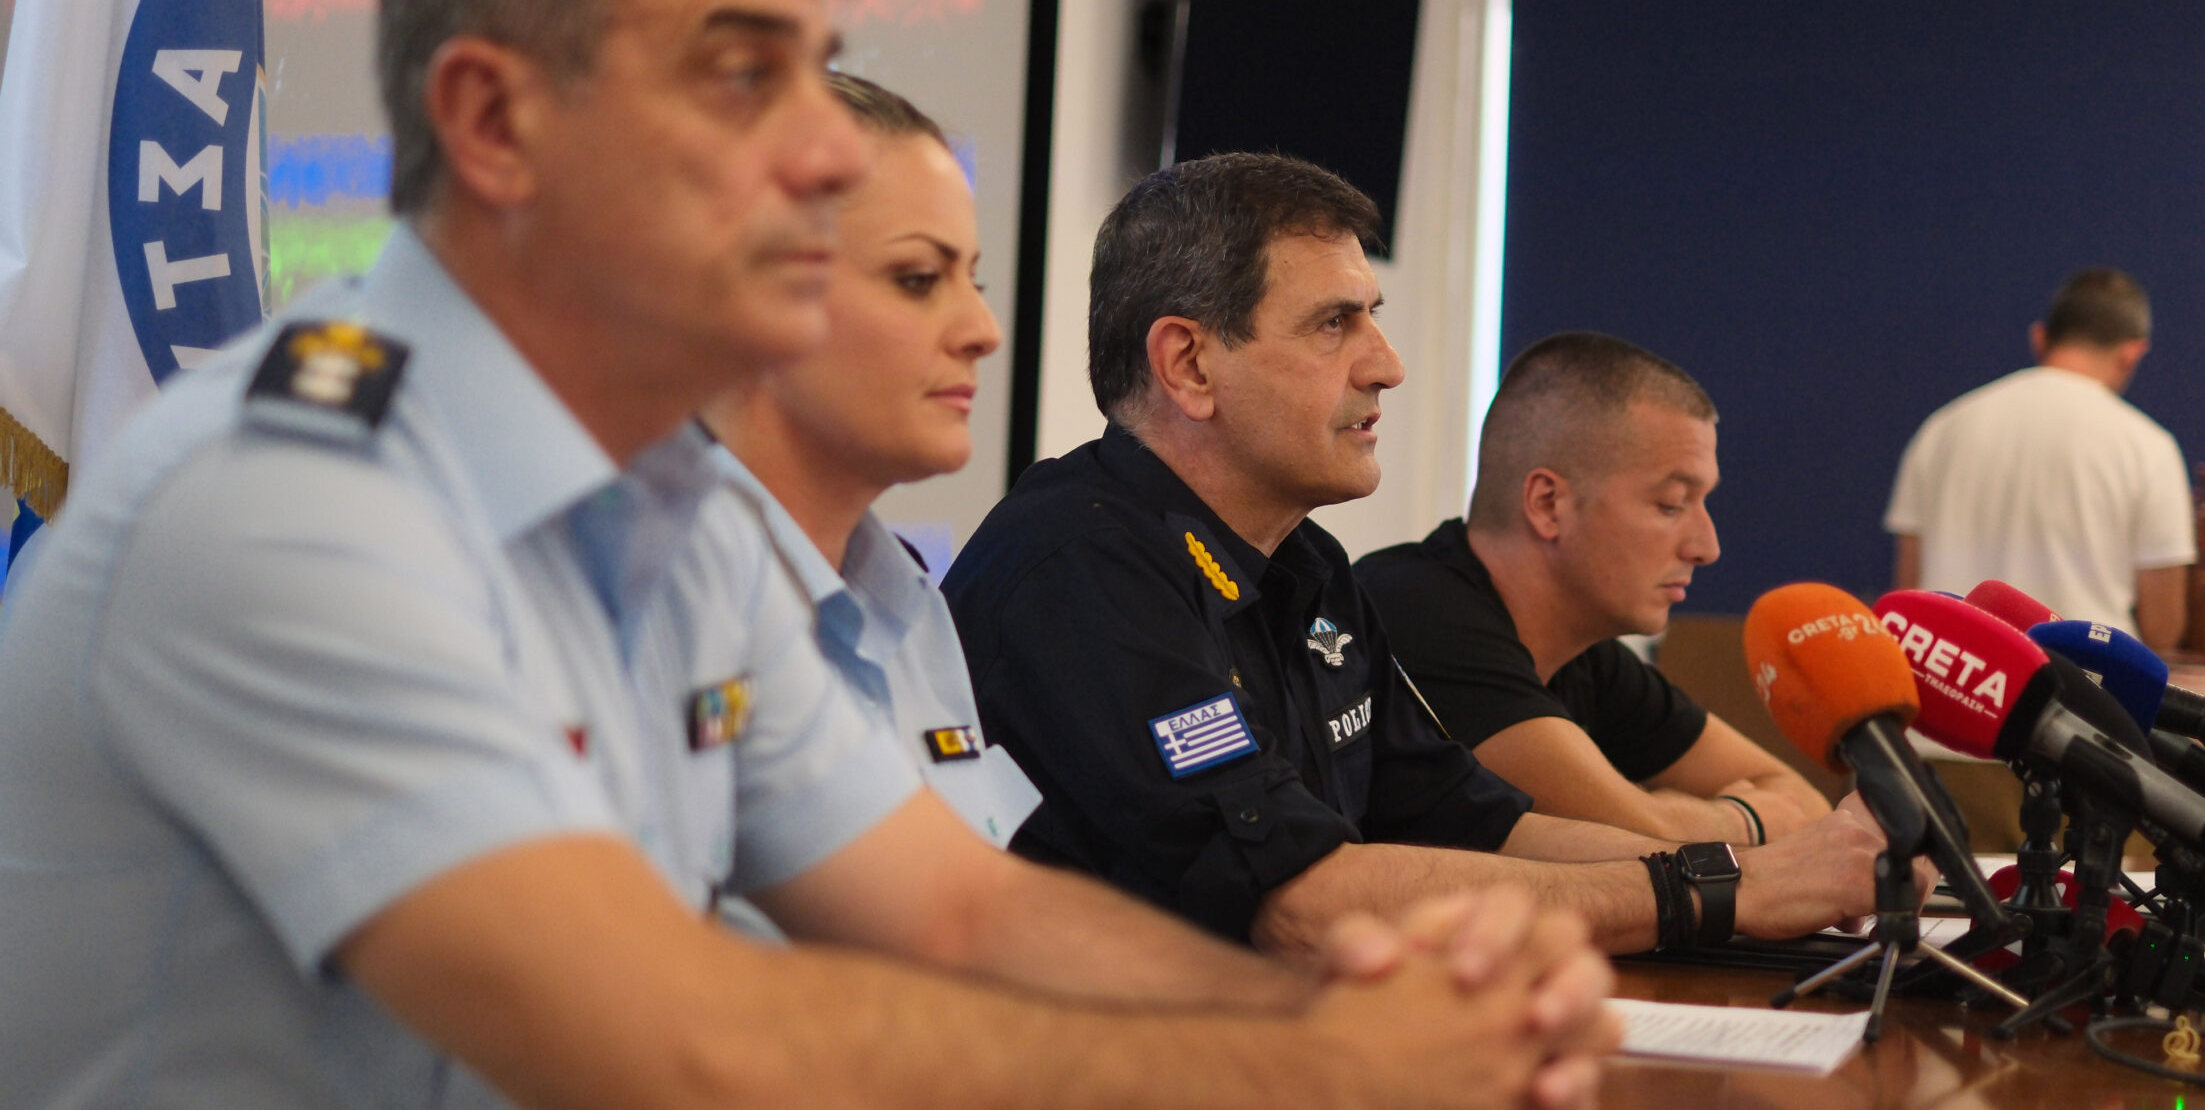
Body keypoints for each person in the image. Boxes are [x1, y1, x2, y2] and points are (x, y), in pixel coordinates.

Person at [0, 0, 1615, 1110]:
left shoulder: (673, 518)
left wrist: (1347, 1017)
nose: (824, 151)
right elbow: (698, 1063)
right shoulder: (293, 504)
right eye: (742, 78)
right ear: (492, 123)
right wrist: (1329, 1079)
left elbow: (961, 908)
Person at [945, 154, 1891, 964]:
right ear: (1190, 365)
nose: (1387, 364)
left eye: (1374, 316)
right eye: (1334, 323)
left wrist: (1751, 871)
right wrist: (1719, 890)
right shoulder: (1077, 568)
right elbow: (1301, 901)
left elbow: (1477, 825)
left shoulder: (1308, 563)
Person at [705, 73, 1039, 850]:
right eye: (918, 279)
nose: (984, 329)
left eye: (974, 280)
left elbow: (962, 903)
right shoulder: (659, 600)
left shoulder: (912, 608)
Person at [1355, 332, 1830, 846]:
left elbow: (1805, 804)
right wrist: (1743, 820)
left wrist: (1694, 819)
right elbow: (1645, 839)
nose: (1707, 547)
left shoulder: (1584, 656)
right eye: (1671, 505)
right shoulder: (1417, 612)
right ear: (1548, 504)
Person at [1885, 266, 2195, 650]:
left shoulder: (1943, 428)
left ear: (2040, 338)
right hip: (2082, 680)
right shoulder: (2148, 447)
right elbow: (2163, 626)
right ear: (2132, 353)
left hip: (1955, 673)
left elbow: (1908, 594)